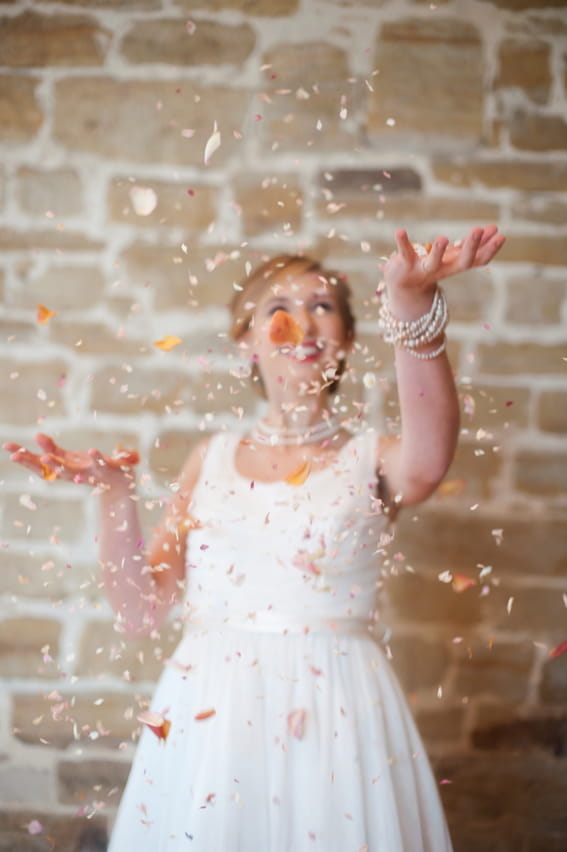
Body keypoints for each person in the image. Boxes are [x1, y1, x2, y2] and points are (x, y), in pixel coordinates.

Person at [4, 226, 505, 851]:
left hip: (337, 716)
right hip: (211, 721)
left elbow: (431, 461)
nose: (303, 321)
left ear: (346, 338)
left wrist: (408, 304)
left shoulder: (373, 460)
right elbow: (139, 613)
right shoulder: (207, 461)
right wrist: (114, 495)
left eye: (322, 306)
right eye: (279, 308)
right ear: (246, 341)